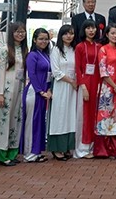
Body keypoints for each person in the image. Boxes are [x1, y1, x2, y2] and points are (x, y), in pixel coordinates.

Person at [0, 22, 27, 166]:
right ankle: (0, 154)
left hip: (19, 89)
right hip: (6, 89)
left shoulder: (24, 50)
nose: (20, 34)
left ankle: (11, 152)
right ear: (11, 33)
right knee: (3, 121)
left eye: (23, 32)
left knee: (15, 119)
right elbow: (0, 72)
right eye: (17, 32)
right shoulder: (5, 49)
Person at [20, 28, 52, 163]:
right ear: (34, 40)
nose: (43, 41)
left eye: (46, 39)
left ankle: (36, 151)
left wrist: (49, 89)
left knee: (39, 123)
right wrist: (40, 91)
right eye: (41, 39)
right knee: (31, 123)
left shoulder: (45, 54)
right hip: (34, 92)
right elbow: (31, 74)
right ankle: (29, 153)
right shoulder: (32, 55)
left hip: (43, 92)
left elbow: (49, 75)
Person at [94, 24, 116, 159]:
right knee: (106, 115)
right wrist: (114, 86)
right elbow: (103, 70)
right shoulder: (103, 50)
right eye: (112, 33)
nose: (115, 36)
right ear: (107, 34)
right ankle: (104, 149)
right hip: (107, 86)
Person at [47, 25, 77, 161]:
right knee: (59, 116)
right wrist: (71, 80)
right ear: (61, 35)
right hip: (61, 86)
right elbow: (56, 71)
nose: (69, 36)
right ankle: (57, 148)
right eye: (66, 34)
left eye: (71, 34)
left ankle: (66, 147)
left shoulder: (74, 50)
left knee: (70, 116)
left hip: (73, 88)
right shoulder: (56, 50)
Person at [74, 19, 101, 159]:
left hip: (97, 82)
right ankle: (81, 148)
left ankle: (91, 146)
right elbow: (77, 69)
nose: (91, 30)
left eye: (93, 28)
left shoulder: (99, 46)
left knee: (94, 115)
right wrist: (83, 86)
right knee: (83, 115)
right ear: (84, 30)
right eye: (88, 28)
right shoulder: (79, 47)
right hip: (85, 83)